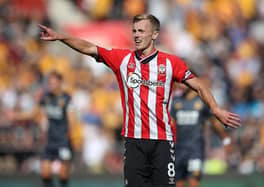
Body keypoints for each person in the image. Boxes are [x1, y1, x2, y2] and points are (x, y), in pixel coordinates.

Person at [38, 14, 241, 187]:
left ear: (154, 34)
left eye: (141, 31)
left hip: (163, 142)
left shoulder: (171, 63)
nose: (136, 35)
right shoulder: (122, 59)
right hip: (134, 142)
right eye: (134, 31)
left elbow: (198, 85)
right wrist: (60, 36)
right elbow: (90, 48)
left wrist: (215, 108)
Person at [8, 71, 74, 187]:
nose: (51, 86)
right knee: (45, 173)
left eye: (53, 83)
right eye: (50, 83)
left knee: (63, 175)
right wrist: (15, 116)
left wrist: (69, 139)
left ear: (60, 83)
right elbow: (34, 113)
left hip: (63, 142)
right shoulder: (46, 98)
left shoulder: (66, 99)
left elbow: (71, 120)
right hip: (50, 141)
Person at [170, 85, 233, 187]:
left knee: (193, 182)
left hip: (195, 149)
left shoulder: (201, 102)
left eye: (183, 82)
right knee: (178, 183)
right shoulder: (176, 101)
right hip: (179, 149)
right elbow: (171, 123)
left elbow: (214, 123)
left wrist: (225, 139)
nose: (180, 85)